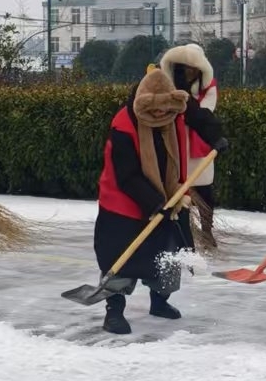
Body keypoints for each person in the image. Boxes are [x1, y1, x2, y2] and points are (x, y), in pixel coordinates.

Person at [94, 68, 227, 334]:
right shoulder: (123, 126)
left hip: (170, 195)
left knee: (166, 257)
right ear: (141, 103)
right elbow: (127, 175)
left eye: (164, 111)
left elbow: (200, 117)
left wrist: (216, 137)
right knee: (121, 258)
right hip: (125, 203)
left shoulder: (175, 106)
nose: (158, 115)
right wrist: (154, 203)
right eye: (152, 111)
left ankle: (160, 301)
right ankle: (114, 310)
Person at [158, 43, 221, 246]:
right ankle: (178, 231)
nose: (188, 72)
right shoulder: (166, 88)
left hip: (199, 147)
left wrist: (185, 100)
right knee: (175, 189)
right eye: (184, 68)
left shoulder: (209, 90)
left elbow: (204, 115)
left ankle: (207, 231)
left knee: (204, 191)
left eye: (192, 68)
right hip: (175, 143)